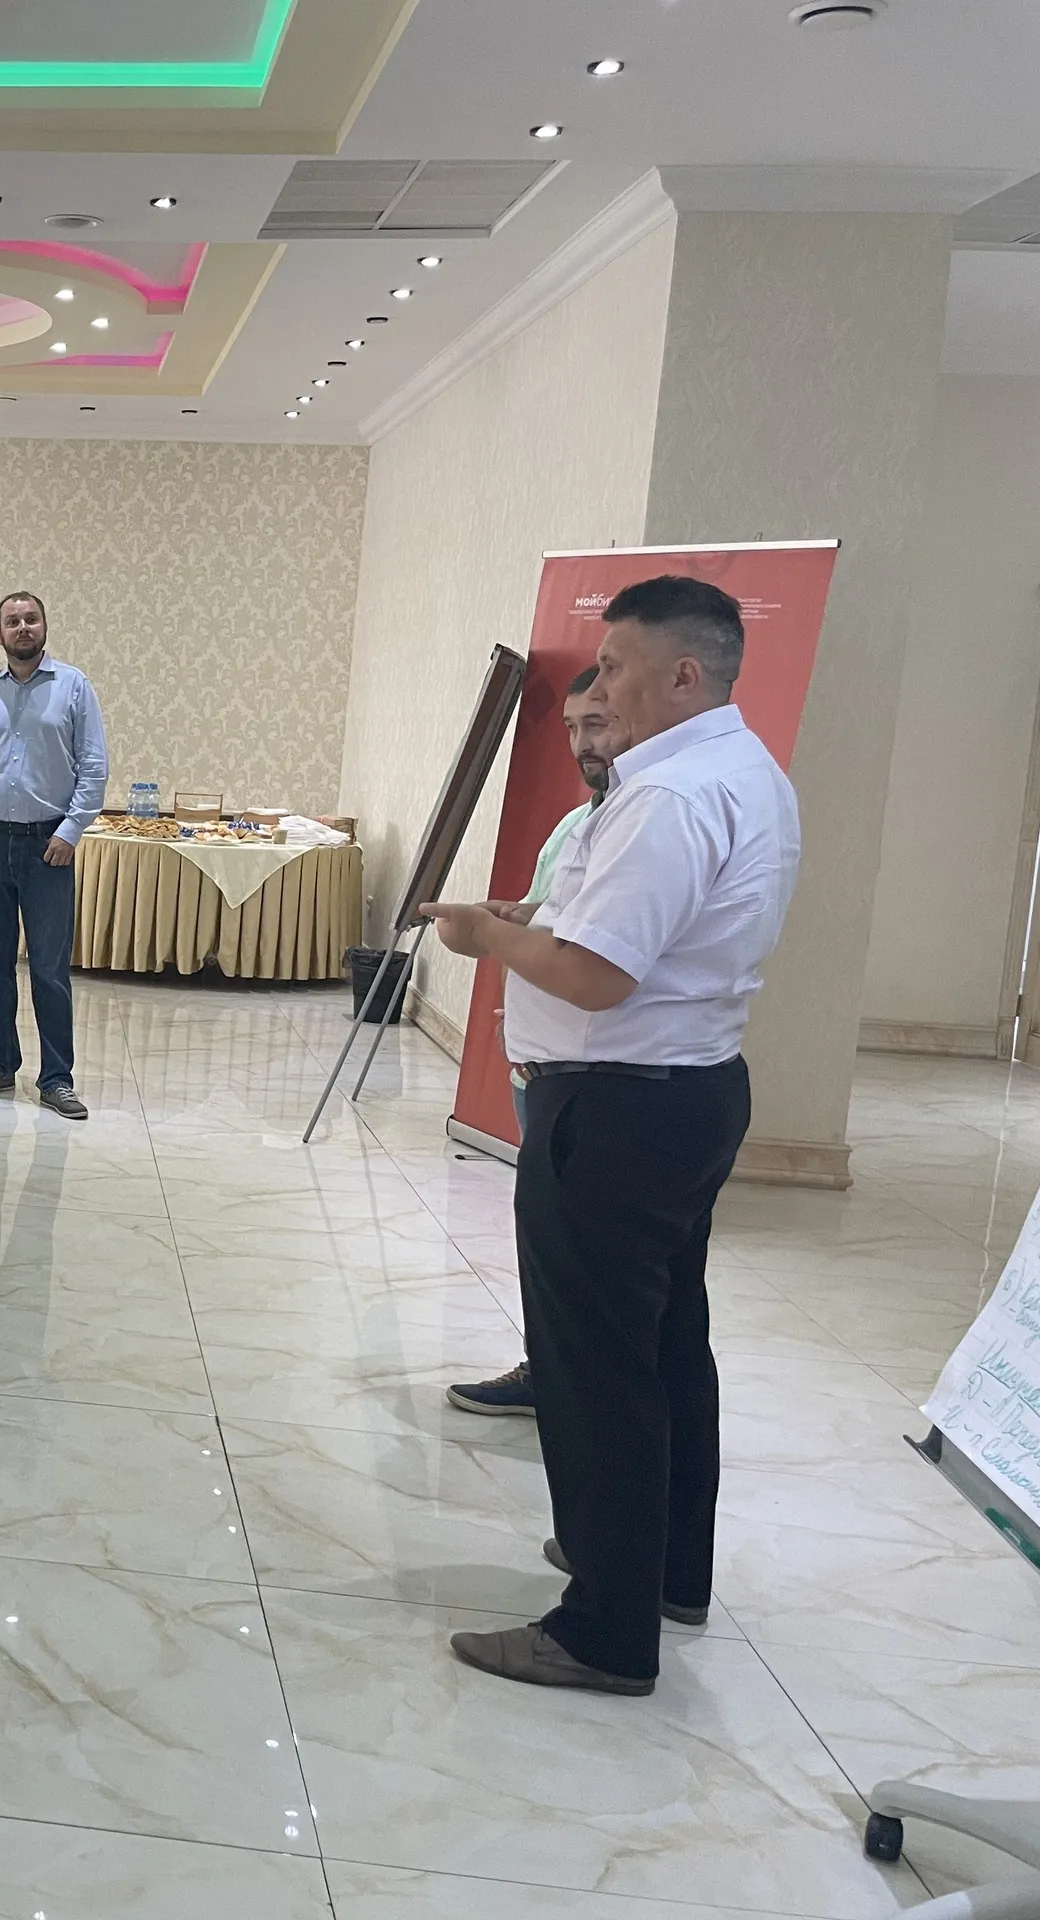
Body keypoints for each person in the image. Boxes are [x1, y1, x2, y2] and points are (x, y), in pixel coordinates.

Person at [423, 576, 800, 1698]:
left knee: (594, 1366)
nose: (602, 687)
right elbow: (641, 932)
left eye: (618, 666)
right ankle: (664, 1569)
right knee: (666, 1342)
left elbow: (596, 975)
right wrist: (536, 919)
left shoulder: (667, 795)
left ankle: (600, 1626)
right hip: (687, 1091)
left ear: (684, 673)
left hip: (618, 1105)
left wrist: (489, 935)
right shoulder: (744, 771)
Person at [449, 663, 619, 1419]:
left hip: (606, 1074)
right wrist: (506, 919)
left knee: (591, 1248)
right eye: (573, 728)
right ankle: (550, 1369)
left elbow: (602, 961)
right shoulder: (576, 824)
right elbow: (545, 914)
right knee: (552, 1240)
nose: (583, 744)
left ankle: (576, 1389)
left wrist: (494, 935)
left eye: (598, 725)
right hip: (543, 1063)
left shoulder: (653, 824)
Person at [0, 590, 107, 1121]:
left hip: (47, 847)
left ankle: (57, 1079)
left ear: (45, 626)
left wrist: (71, 831)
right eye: (12, 621)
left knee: (50, 968)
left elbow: (93, 767)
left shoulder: (73, 687)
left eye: (31, 619)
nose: (23, 628)